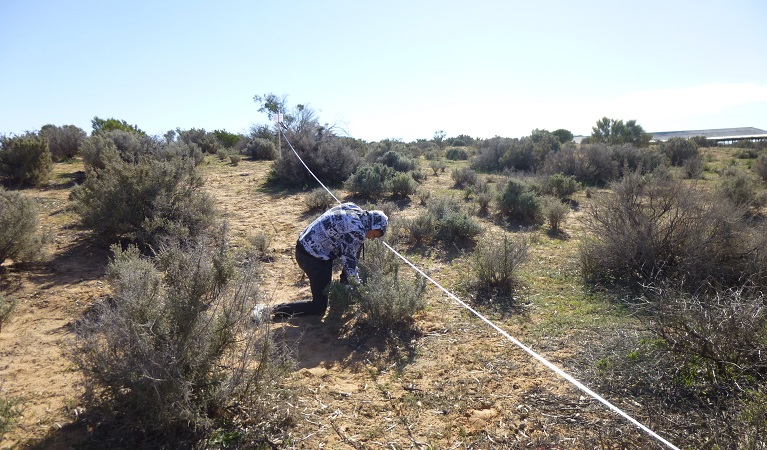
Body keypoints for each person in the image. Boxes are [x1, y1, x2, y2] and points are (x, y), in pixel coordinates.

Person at [252, 202, 388, 322]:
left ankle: (344, 289)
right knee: (318, 307)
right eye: (375, 235)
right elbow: (350, 264)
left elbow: (350, 254)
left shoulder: (353, 208)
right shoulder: (356, 231)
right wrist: (361, 291)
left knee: (355, 249)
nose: (371, 238)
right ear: (373, 224)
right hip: (311, 257)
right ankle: (268, 310)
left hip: (307, 244)